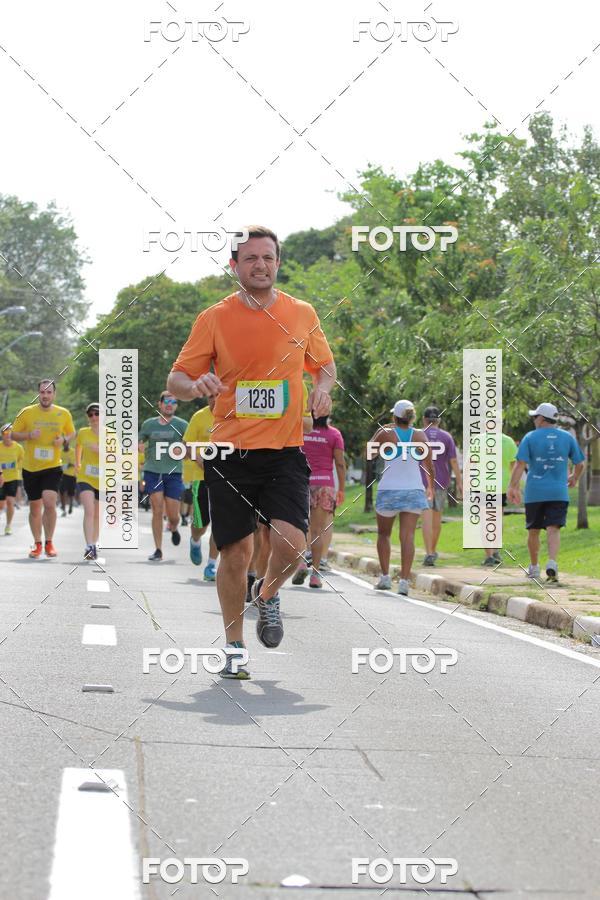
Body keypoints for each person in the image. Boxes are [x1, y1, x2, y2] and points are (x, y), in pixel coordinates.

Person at [167, 225, 335, 679]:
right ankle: (235, 647)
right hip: (228, 453)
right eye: (251, 259)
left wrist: (322, 388)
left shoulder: (301, 314)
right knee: (236, 552)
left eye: (268, 258)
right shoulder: (214, 318)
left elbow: (325, 366)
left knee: (294, 544)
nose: (261, 265)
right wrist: (194, 384)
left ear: (278, 263)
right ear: (234, 266)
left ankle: (266, 595)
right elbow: (176, 379)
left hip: (283, 450)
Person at [507, 402, 585, 583]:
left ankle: (534, 567)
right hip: (558, 492)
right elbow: (580, 463)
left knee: (533, 530)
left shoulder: (530, 437)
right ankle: (552, 562)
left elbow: (520, 464)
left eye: (535, 417)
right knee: (553, 528)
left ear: (541, 419)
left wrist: (512, 486)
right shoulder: (567, 437)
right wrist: (574, 477)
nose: (534, 420)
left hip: (535, 492)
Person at [368, 400, 434, 595]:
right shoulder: (420, 435)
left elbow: (369, 454)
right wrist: (430, 486)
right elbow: (429, 465)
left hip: (388, 490)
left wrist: (378, 432)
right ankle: (404, 582)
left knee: (383, 534)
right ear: (412, 416)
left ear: (394, 417)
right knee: (408, 537)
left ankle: (385, 577)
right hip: (414, 490)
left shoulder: (386, 434)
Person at [11, 379, 76, 558]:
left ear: (54, 394)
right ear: (38, 394)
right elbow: (13, 434)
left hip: (52, 466)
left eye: (48, 392)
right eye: (42, 392)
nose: (45, 396)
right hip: (31, 468)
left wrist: (63, 440)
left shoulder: (63, 414)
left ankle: (49, 542)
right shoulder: (26, 413)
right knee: (34, 507)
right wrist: (29, 435)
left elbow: (72, 432)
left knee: (49, 502)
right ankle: (37, 544)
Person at [292, 413, 346, 588]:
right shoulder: (334, 434)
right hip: (325, 485)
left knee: (301, 529)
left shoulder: (301, 432)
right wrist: (342, 489)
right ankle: (315, 575)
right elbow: (339, 463)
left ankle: (301, 563)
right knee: (318, 531)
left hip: (301, 483)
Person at [138, 392, 188, 561]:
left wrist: (182, 449)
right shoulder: (149, 425)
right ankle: (158, 549)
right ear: (159, 404)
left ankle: (174, 527)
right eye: (167, 401)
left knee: (174, 516)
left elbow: (189, 446)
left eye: (174, 402)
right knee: (157, 509)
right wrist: (138, 445)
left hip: (174, 473)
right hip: (153, 471)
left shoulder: (182, 425)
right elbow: (139, 439)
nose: (170, 404)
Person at [182, 397, 219, 580]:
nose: (215, 400)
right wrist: (198, 460)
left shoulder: (233, 415)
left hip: (224, 479)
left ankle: (211, 565)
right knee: (200, 524)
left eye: (218, 395)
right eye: (212, 396)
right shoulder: (199, 416)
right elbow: (186, 445)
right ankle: (195, 540)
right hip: (201, 478)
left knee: (220, 524)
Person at [420, 406, 462, 566]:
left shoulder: (418, 434)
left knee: (426, 519)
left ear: (424, 420)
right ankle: (432, 550)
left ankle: (429, 552)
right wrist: (459, 481)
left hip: (423, 482)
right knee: (437, 520)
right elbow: (453, 461)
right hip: (441, 481)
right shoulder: (447, 437)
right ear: (439, 420)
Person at [482, 431, 518, 566]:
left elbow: (471, 463)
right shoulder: (508, 441)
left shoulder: (479, 440)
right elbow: (515, 465)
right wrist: (514, 485)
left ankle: (489, 554)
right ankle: (495, 549)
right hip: (501, 485)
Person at [75, 403, 101, 560]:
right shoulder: (83, 432)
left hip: (104, 479)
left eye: (97, 413)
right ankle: (89, 545)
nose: (94, 417)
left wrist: (102, 451)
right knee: (89, 510)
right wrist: (77, 463)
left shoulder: (110, 434)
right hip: (86, 477)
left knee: (98, 514)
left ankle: (95, 543)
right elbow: (78, 447)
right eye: (90, 414)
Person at [0, 423, 24, 535]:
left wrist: (17, 467)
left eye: (10, 432)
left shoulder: (18, 448)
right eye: (5, 432)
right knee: (1, 504)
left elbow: (22, 461)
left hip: (13, 478)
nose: (8, 435)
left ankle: (8, 525)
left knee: (10, 502)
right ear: (2, 435)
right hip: (1, 478)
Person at [60, 439, 77, 516]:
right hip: (62, 475)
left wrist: (64, 465)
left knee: (71, 493)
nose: (66, 444)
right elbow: (58, 463)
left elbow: (73, 464)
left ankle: (70, 505)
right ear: (63, 444)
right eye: (64, 443)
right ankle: (63, 508)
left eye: (67, 443)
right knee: (62, 491)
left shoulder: (73, 452)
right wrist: (67, 465)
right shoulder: (60, 452)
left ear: (69, 443)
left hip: (72, 475)